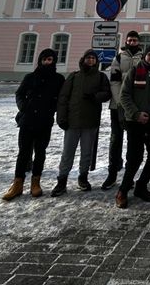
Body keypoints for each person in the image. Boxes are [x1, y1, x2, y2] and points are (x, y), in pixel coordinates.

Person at [2, 48, 65, 201]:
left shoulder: (58, 79)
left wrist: (52, 108)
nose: (47, 62)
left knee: (40, 152)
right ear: (40, 60)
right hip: (27, 120)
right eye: (44, 59)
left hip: (45, 121)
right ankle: (17, 184)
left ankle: (35, 183)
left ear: (54, 61)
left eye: (50, 59)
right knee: (23, 153)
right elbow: (19, 94)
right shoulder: (30, 77)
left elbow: (62, 98)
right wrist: (23, 107)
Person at [50, 50, 112, 197]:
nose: (91, 60)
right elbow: (63, 97)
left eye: (93, 58)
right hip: (72, 120)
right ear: (83, 59)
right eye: (88, 58)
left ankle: (83, 177)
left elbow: (107, 93)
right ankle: (62, 180)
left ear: (96, 61)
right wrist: (61, 117)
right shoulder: (74, 76)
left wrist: (95, 96)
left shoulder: (101, 77)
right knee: (67, 152)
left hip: (90, 120)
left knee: (86, 152)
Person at [115, 44, 150, 208]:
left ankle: (141, 186)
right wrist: (136, 114)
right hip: (135, 122)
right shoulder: (134, 71)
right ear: (144, 56)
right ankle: (123, 190)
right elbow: (124, 95)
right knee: (135, 158)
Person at [105, 30, 143, 190]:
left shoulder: (142, 58)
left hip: (135, 107)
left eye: (134, 40)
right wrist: (121, 102)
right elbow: (114, 81)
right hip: (118, 106)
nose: (132, 42)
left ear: (138, 42)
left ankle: (129, 176)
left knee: (132, 142)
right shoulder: (119, 58)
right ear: (126, 41)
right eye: (130, 40)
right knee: (116, 140)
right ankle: (112, 174)